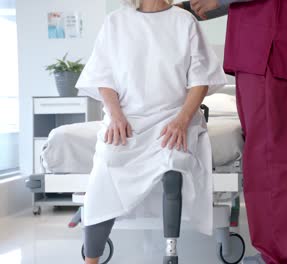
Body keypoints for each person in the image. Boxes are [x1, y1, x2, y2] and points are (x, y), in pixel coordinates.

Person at [75, 0, 226, 263]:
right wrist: (115, 115)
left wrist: (182, 119)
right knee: (107, 163)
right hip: (128, 117)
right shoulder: (116, 22)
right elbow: (103, 76)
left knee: (172, 160)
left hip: (174, 116)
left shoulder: (184, 21)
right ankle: (91, 258)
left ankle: (171, 253)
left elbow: (201, 80)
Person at [179, 0, 287, 263]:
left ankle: (280, 257)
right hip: (262, 48)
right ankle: (275, 253)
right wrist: (189, 9)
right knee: (266, 159)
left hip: (268, 49)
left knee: (269, 161)